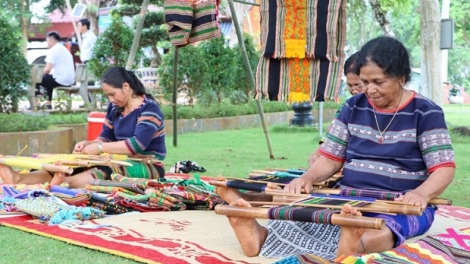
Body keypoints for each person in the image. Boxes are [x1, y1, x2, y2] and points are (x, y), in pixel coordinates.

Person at [215, 36, 455, 261]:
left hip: (401, 203)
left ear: (401, 77)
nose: (370, 90)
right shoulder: (353, 106)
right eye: (364, 82)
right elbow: (330, 158)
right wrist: (307, 178)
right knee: (299, 216)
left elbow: (443, 168)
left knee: (384, 231)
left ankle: (353, 241)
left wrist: (421, 195)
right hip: (349, 197)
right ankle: (258, 236)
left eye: (378, 82)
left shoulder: (426, 112)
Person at [0, 66, 166, 188]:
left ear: (126, 87)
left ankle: (63, 184)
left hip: (149, 165)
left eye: (112, 94)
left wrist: (100, 147)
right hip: (117, 159)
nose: (110, 100)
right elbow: (106, 137)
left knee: (104, 169)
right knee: (73, 164)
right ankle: (18, 179)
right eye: (108, 95)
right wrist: (88, 143)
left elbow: (136, 145)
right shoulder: (115, 108)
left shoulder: (149, 109)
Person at [308, 52, 365, 166]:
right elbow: (331, 137)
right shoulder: (347, 108)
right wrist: (316, 155)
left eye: (358, 85)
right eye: (350, 85)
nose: (353, 90)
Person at [32, 31, 75, 110]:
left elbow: (47, 69)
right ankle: (48, 104)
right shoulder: (64, 49)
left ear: (51, 40)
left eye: (47, 41)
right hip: (70, 80)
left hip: (61, 80)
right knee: (48, 79)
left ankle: (35, 105)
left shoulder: (54, 50)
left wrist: (38, 75)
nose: (47, 43)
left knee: (36, 80)